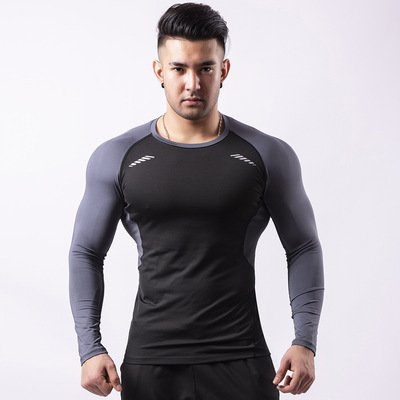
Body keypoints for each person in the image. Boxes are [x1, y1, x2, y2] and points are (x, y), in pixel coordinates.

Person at [69, 3, 324, 399]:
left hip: (241, 360)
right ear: (159, 71)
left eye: (205, 68)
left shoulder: (267, 154)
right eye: (179, 69)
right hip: (151, 364)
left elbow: (303, 245)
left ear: (223, 70)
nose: (193, 83)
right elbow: (86, 252)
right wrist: (90, 348)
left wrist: (304, 340)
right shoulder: (117, 156)